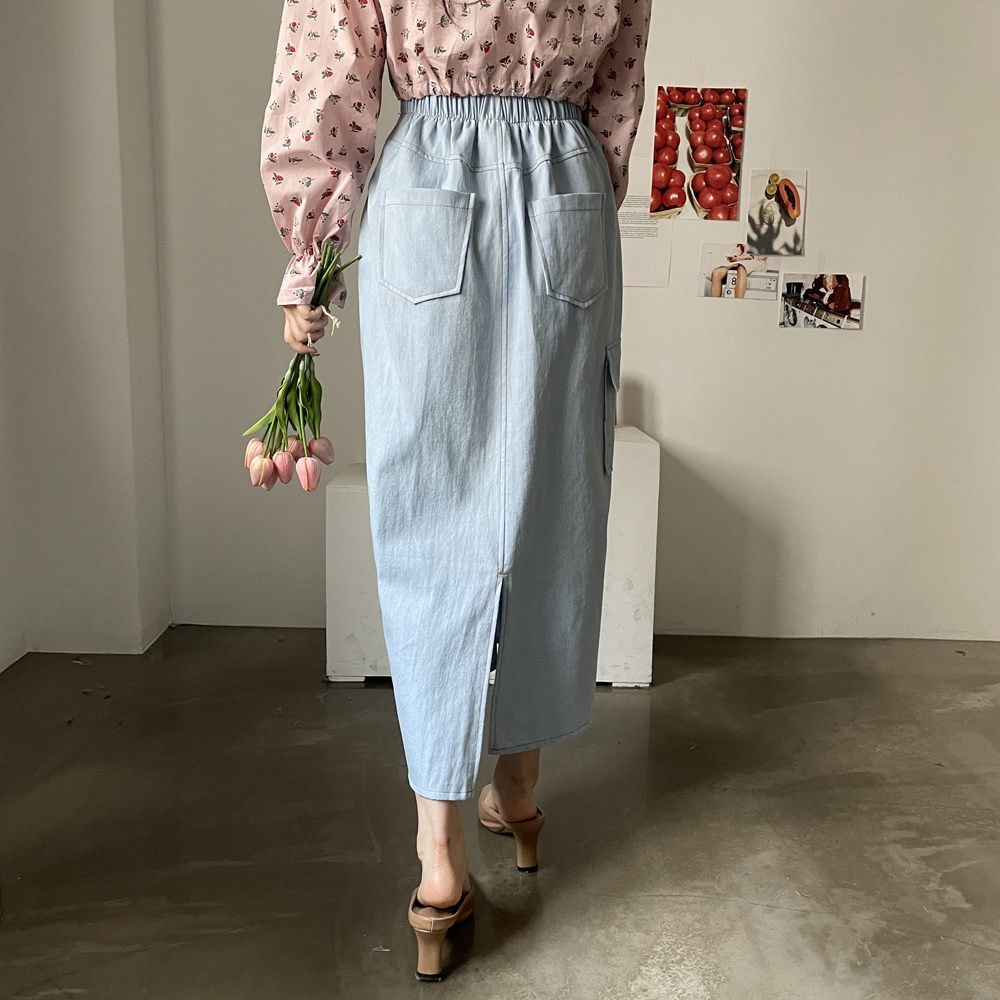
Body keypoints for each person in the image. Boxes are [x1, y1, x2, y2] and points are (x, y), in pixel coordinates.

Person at [259, 0, 650, 981]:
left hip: (430, 180)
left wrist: (312, 262)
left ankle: (438, 855)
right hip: (566, 184)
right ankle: (516, 787)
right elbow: (617, 83)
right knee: (555, 498)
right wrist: (580, 169)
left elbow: (329, 78)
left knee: (429, 515)